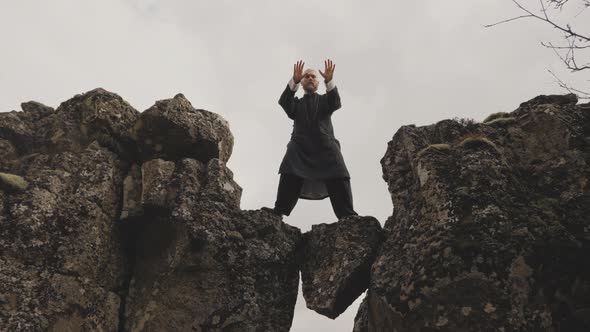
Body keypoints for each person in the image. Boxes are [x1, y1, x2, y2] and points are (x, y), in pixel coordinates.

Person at [266, 59, 358, 220]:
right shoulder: (296, 104)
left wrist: (329, 80)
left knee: (339, 174)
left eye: (313, 77)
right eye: (306, 76)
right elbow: (285, 103)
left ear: (317, 83)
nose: (309, 78)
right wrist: (294, 80)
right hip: (300, 148)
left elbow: (335, 102)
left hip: (326, 148)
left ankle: (348, 215)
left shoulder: (325, 101)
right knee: (289, 171)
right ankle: (278, 211)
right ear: (302, 82)